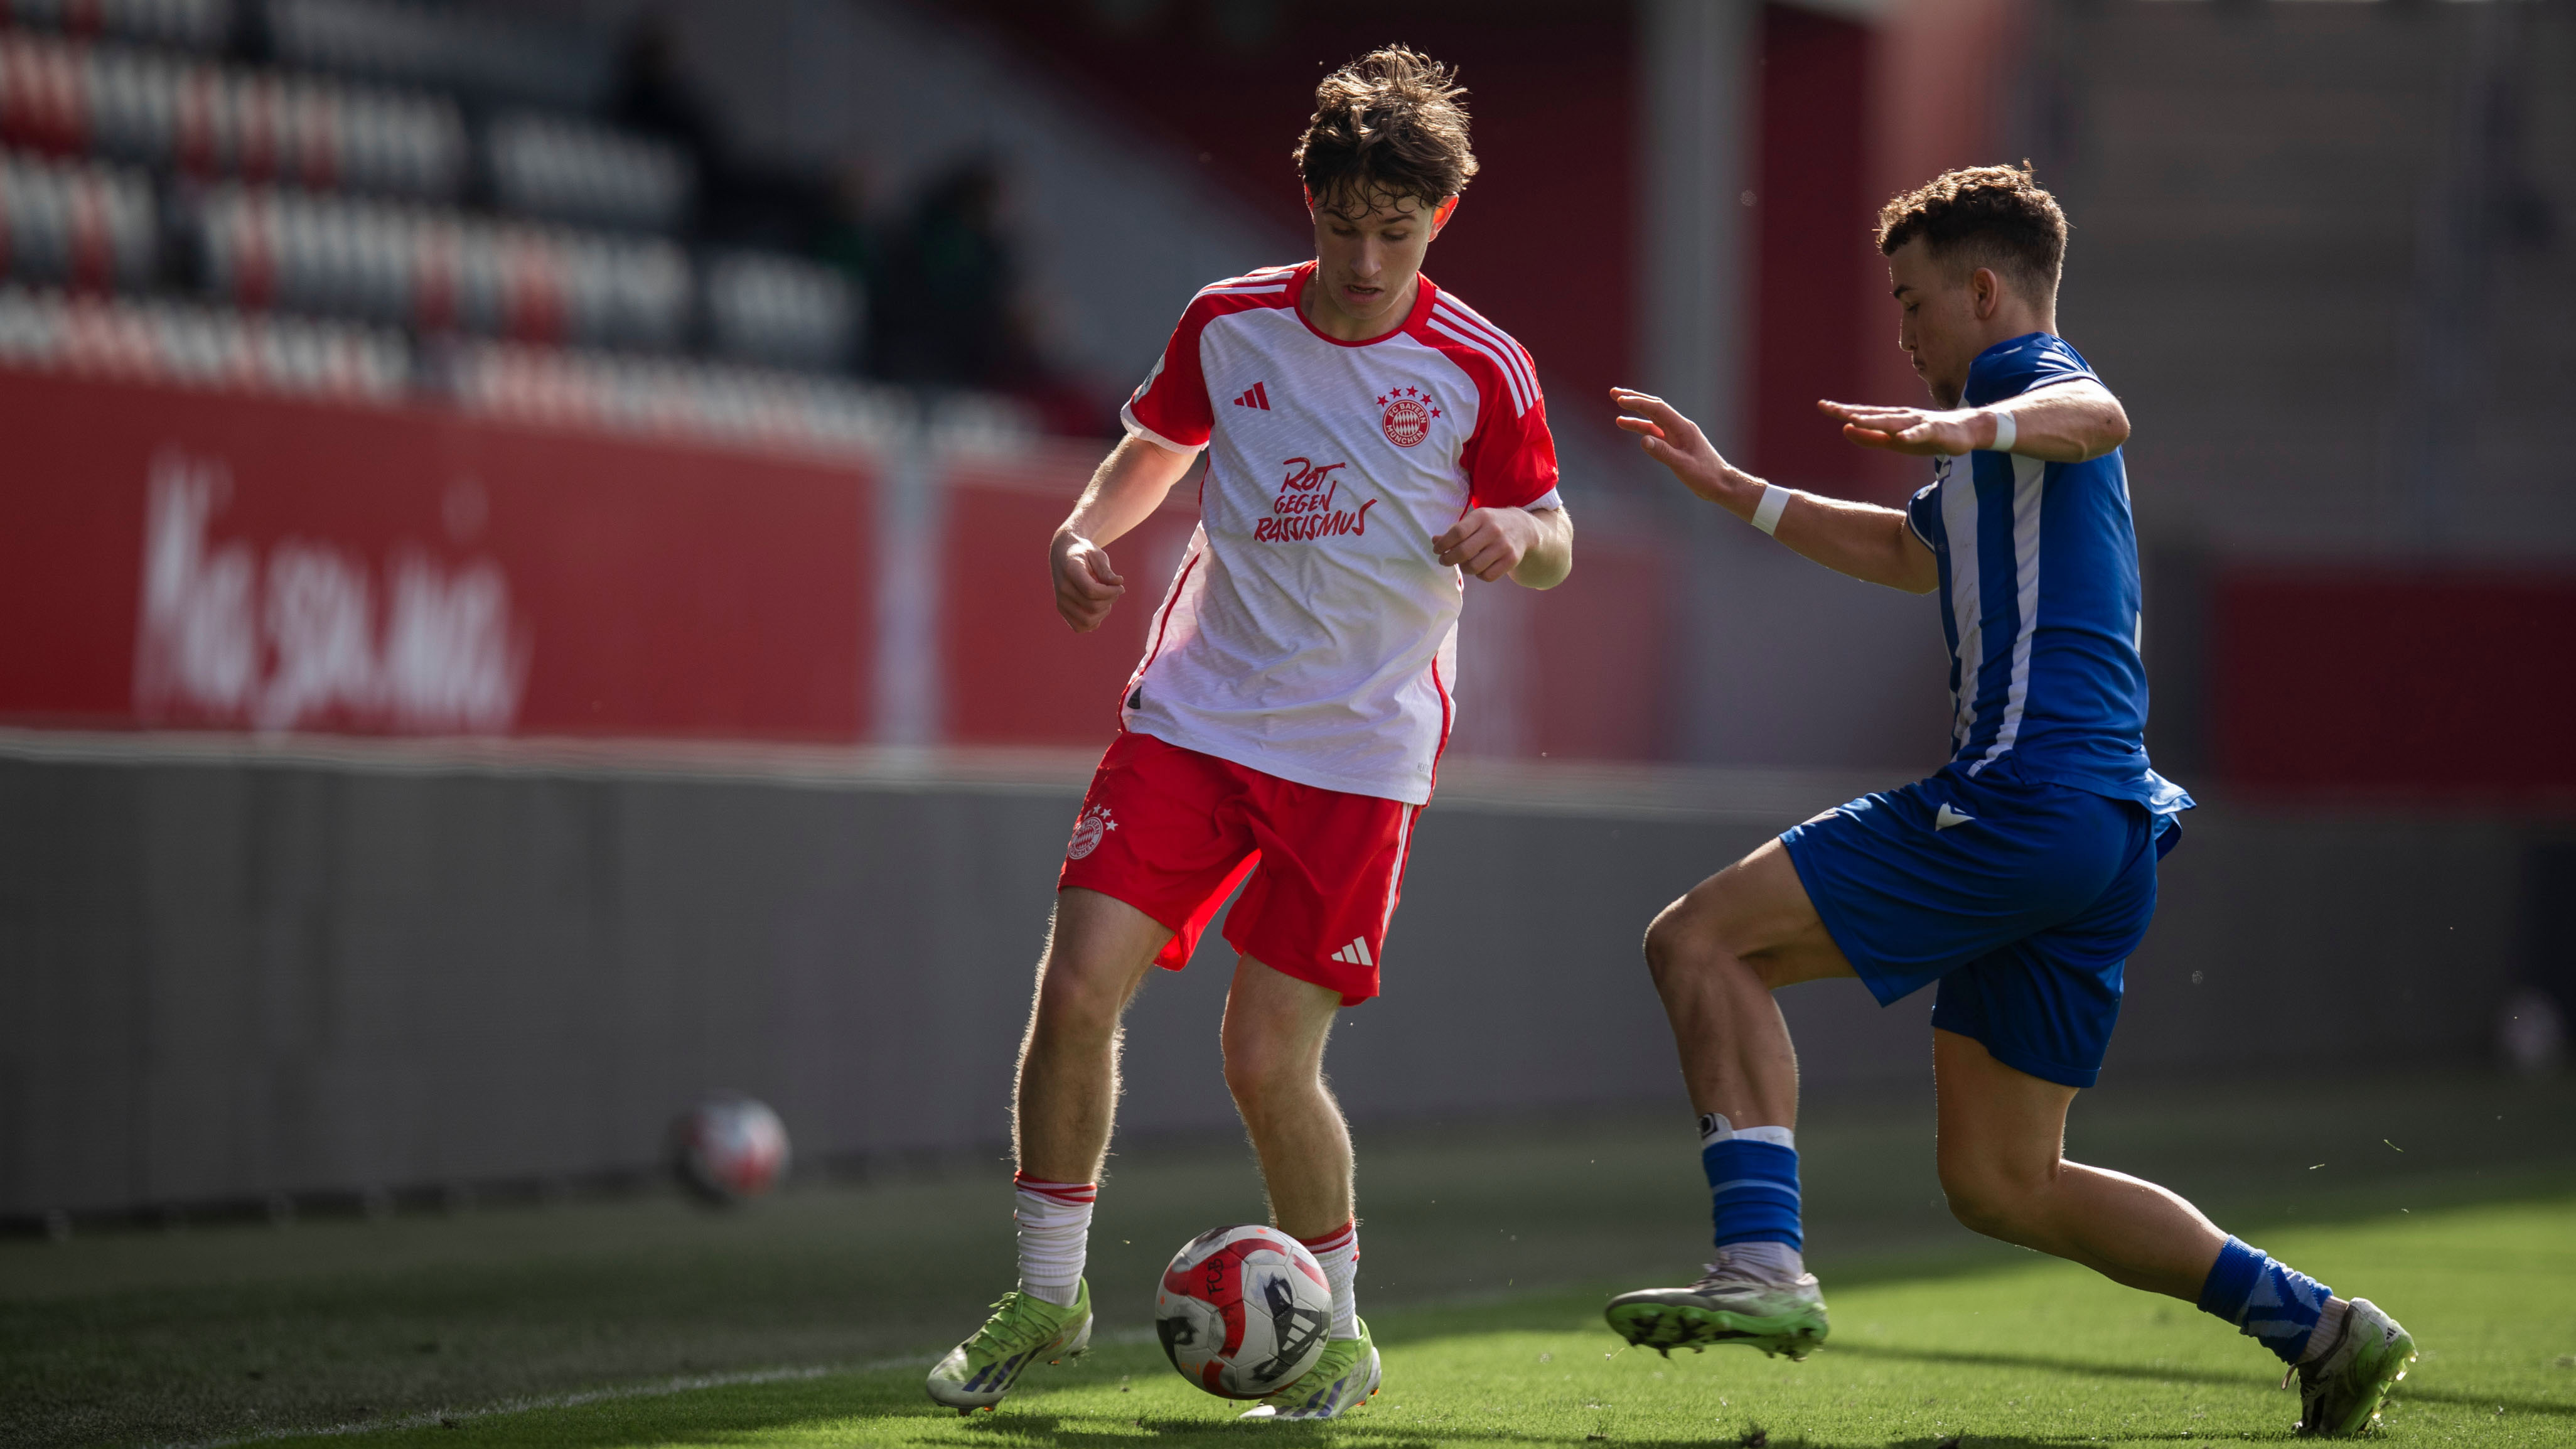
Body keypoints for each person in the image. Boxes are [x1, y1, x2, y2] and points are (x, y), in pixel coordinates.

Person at [1601, 164, 2414, 1439]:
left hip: (2027, 800)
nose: (1904, 330)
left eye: (1913, 300)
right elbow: (1900, 551)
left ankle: (1761, 1258)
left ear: (1984, 290)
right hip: (2104, 832)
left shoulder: (2019, 382)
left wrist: (1967, 425)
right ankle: (2321, 1325)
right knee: (2002, 1179)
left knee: (1698, 939)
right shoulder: (1997, 443)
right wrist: (1734, 489)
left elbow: (2099, 411)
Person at [925, 45, 1574, 1421]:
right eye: (1343, 226)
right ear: (1310, 202)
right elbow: (1155, 446)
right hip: (1198, 716)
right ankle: (1046, 1297)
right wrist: (1083, 532)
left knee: (1265, 1058)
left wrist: (1518, 531)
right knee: (1076, 985)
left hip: (1359, 754)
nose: (1363, 256)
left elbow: (1556, 535)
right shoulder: (1229, 321)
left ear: (1437, 221)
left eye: (1394, 233)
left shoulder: (1483, 366)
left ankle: (1334, 1329)